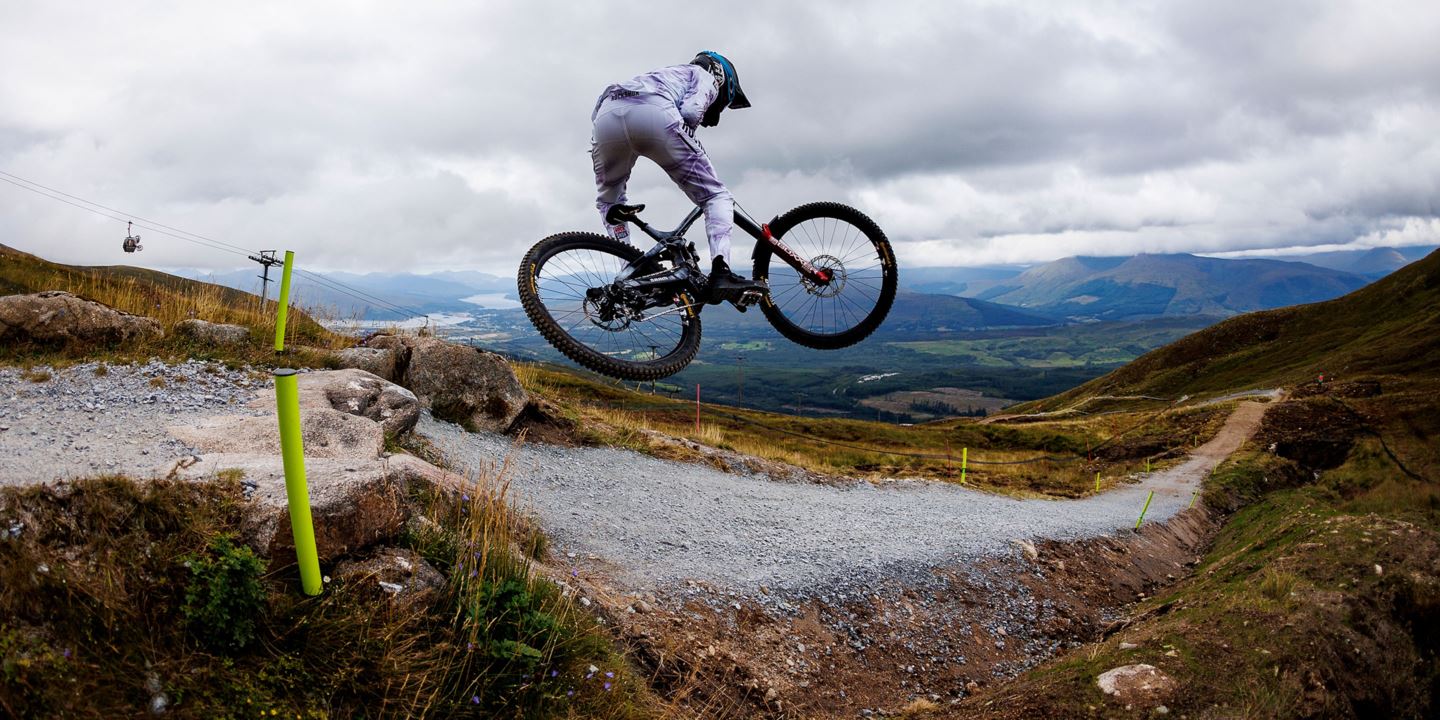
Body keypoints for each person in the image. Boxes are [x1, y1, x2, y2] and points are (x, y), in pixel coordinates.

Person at [590, 51, 764, 303]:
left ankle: (629, 273)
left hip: (606, 120)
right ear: (722, 76)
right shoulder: (704, 75)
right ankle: (721, 271)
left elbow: (595, 115)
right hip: (655, 115)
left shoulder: (658, 75)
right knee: (716, 196)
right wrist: (688, 147)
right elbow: (692, 112)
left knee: (609, 202)